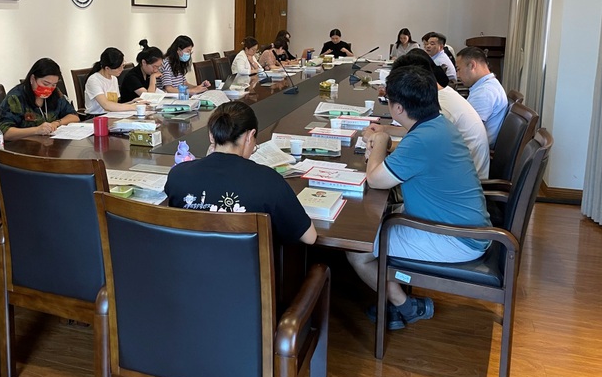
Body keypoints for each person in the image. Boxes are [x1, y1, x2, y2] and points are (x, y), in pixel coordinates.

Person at [348, 66, 491, 330]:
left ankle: (407, 306)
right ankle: (400, 297)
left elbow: (375, 179)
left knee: (358, 249)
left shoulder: (422, 140)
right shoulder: (437, 125)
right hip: (464, 225)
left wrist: (380, 139)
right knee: (378, 217)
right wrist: (382, 140)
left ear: (398, 108)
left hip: (456, 237)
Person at [165, 101, 317, 245]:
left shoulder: (178, 175)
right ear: (249, 136)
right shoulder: (268, 181)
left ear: (211, 135)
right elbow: (309, 238)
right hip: (245, 265)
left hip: (185, 264)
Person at [368, 49, 489, 178]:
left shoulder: (440, 106)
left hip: (466, 174)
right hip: (455, 171)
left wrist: (381, 143)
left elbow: (376, 178)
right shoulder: (439, 96)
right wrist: (385, 129)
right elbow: (419, 131)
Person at [0, 58, 80, 140]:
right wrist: (36, 130)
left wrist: (56, 123)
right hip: (24, 145)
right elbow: (5, 132)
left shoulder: (56, 93)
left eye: (53, 85)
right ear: (32, 79)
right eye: (45, 84)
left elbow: (74, 116)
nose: (49, 89)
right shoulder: (15, 97)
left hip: (50, 143)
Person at [455, 46, 509, 148]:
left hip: (474, 149)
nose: (457, 75)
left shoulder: (485, 92)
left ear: (472, 65)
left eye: (458, 69)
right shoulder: (487, 85)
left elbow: (468, 131)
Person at [85, 47, 139, 115]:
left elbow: (114, 105)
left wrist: (132, 103)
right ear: (107, 68)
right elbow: (106, 105)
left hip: (111, 114)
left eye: (123, 66)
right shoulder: (94, 80)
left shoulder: (114, 78)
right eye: (118, 68)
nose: (122, 69)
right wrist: (133, 107)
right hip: (97, 117)